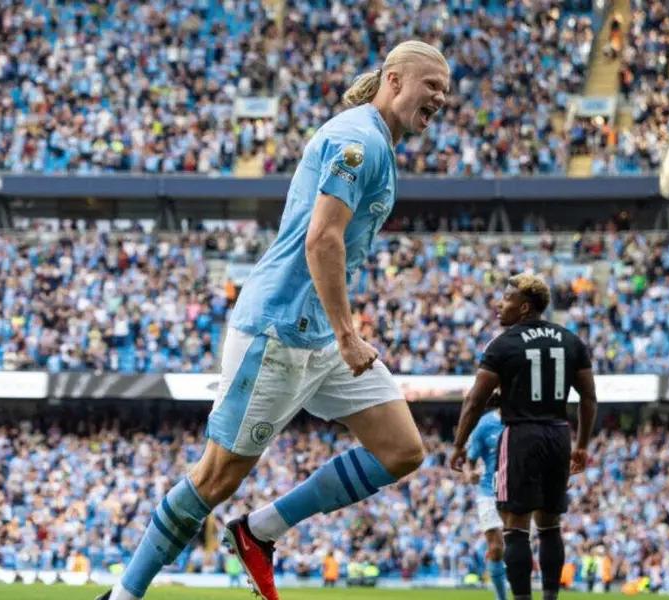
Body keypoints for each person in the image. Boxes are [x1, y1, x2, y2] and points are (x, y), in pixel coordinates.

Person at [96, 40, 450, 600]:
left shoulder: (376, 140)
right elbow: (322, 240)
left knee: (402, 449)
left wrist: (339, 335)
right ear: (394, 79)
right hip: (280, 331)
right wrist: (348, 334)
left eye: (445, 92)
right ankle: (123, 594)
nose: (441, 98)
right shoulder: (358, 142)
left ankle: (259, 531)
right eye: (432, 85)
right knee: (216, 478)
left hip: (318, 336)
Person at [451, 273, 598, 600]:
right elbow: (588, 397)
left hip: (520, 436)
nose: (499, 305)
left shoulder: (502, 344)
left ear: (525, 307)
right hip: (559, 435)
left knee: (515, 526)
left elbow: (475, 400)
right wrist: (582, 446)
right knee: (549, 525)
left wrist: (460, 445)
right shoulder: (571, 341)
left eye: (506, 299)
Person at [463, 406, 507, 600]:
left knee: (516, 546)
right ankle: (501, 597)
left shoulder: (526, 419)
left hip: (519, 491)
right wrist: (469, 473)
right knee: (496, 548)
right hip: (489, 491)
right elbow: (469, 460)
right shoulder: (485, 424)